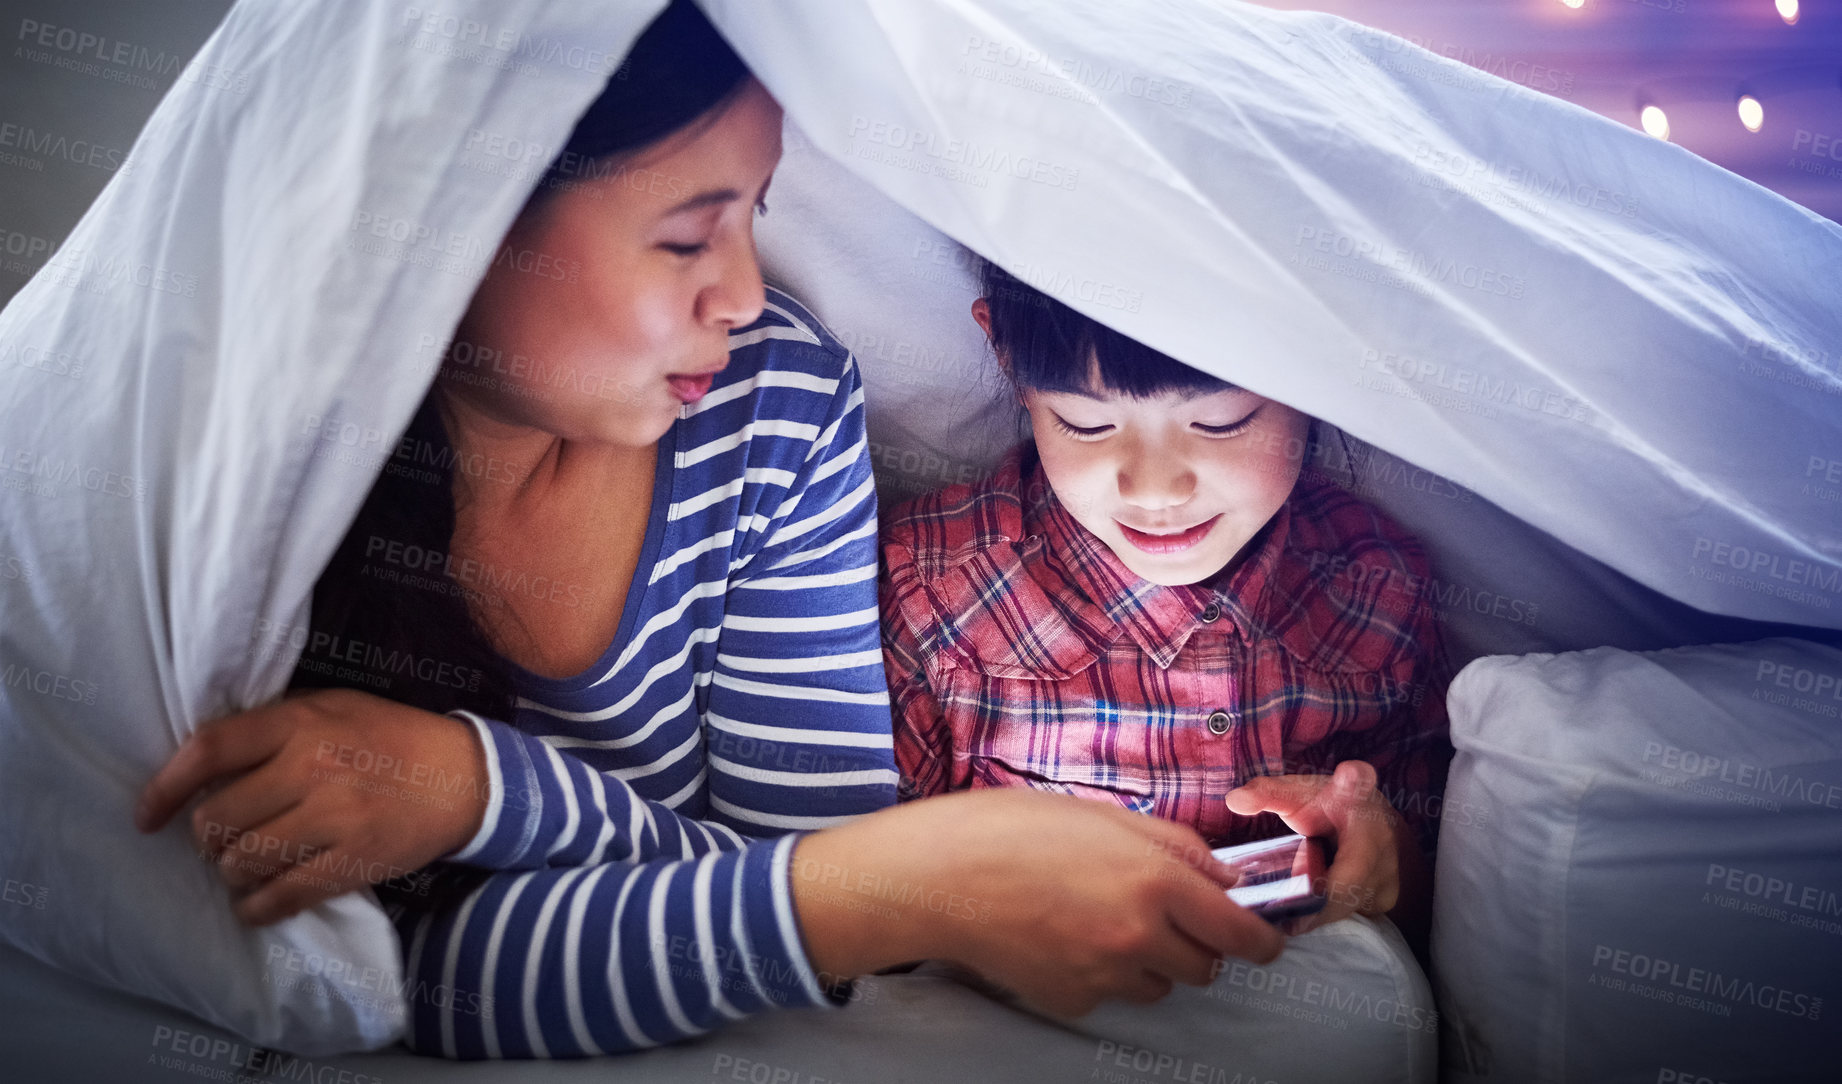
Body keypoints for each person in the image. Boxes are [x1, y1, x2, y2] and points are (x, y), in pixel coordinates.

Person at [131, 0, 1282, 1060]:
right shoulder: (251, 510)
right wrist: (883, 885)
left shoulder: (776, 403)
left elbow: (811, 872)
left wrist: (480, 793)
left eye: (754, 217)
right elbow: (378, 976)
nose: (738, 294)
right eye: (686, 239)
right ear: (459, 219)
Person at [881, 260, 1454, 951]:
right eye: (1085, 424)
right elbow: (854, 903)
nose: (1154, 492)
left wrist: (1386, 851)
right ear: (1006, 361)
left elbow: (1447, 926)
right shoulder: (933, 589)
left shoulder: (1378, 589)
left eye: (1220, 422)